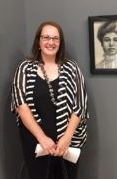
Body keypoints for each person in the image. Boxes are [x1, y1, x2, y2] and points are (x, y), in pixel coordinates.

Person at [11, 21, 89, 179]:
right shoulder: (25, 68)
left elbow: (80, 105)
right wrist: (43, 138)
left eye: (55, 38)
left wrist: (66, 138)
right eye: (46, 37)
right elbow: (20, 105)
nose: (51, 42)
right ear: (38, 41)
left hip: (68, 143)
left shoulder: (72, 68)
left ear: (60, 43)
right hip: (35, 141)